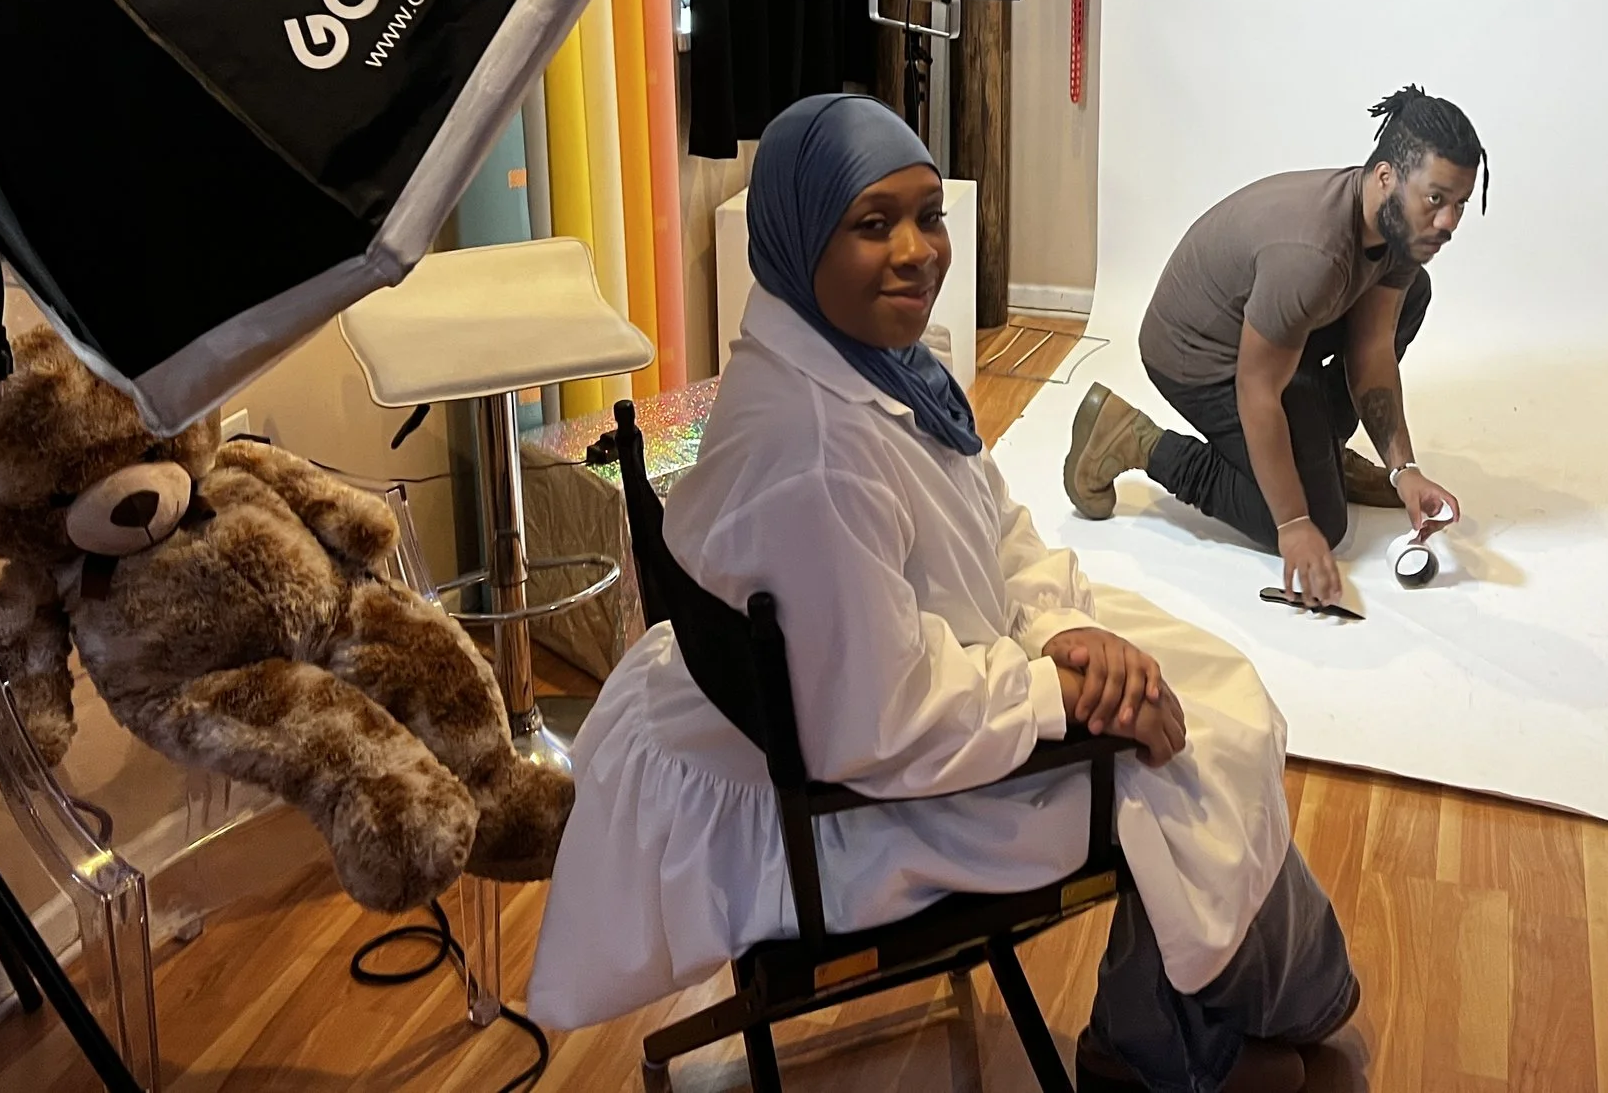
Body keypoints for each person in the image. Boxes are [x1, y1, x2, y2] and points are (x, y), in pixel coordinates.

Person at [530, 95, 1357, 1093]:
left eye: (930, 215)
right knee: (1195, 742)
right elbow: (878, 725)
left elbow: (993, 518)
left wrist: (1066, 633)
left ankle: (1227, 1016)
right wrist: (1067, 697)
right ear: (800, 236)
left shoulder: (844, 360)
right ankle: (1176, 1049)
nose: (918, 250)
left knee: (1209, 684)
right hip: (864, 799)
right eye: (873, 224)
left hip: (911, 680)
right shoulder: (821, 454)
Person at [1064, 87, 1484, 612]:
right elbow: (1257, 389)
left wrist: (1404, 471)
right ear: (1386, 177)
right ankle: (1135, 440)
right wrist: (1292, 523)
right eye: (1436, 199)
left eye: (1460, 204)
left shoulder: (1397, 229)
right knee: (1323, 525)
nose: (1448, 223)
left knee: (1412, 296)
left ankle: (1322, 454)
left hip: (1275, 330)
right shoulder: (1312, 256)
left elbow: (1371, 350)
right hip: (1199, 354)